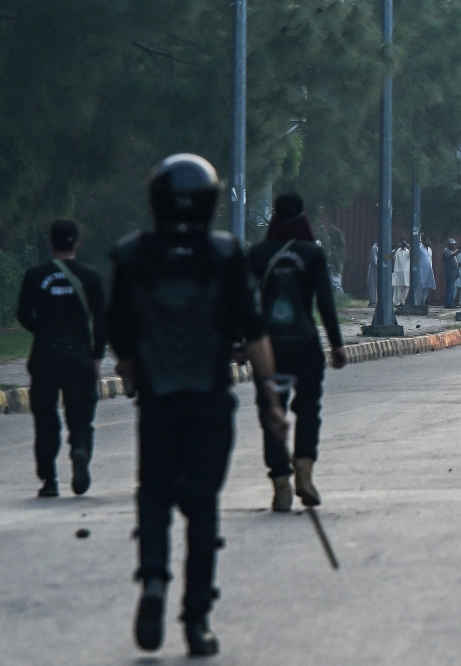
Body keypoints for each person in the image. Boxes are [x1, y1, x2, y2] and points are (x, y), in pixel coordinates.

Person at [107, 154, 288, 656]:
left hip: (158, 404)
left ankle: (154, 581)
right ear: (209, 202)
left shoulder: (132, 256)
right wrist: (269, 401)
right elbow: (254, 333)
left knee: (155, 497)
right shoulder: (226, 255)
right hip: (209, 401)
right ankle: (196, 620)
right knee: (203, 506)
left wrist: (130, 368)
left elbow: (117, 329)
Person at [247, 193, 347, 512]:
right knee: (308, 409)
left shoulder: (258, 254)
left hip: (268, 347)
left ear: (275, 216)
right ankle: (304, 471)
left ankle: (281, 487)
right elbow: (325, 303)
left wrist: (240, 343)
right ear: (303, 217)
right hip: (304, 345)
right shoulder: (312, 254)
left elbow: (244, 303)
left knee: (270, 412)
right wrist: (336, 344)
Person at [16, 219, 106, 498]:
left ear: (51, 244)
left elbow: (23, 314)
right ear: (77, 244)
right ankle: (79, 447)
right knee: (81, 415)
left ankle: (50, 479)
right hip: (78, 355)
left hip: (45, 355)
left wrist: (43, 331)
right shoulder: (90, 277)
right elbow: (102, 319)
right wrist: (97, 355)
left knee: (45, 420)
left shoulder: (35, 275)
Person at [416, 236, 435, 305]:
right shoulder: (419, 248)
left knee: (427, 287)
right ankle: (417, 302)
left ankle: (423, 301)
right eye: (427, 240)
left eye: (429, 240)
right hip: (421, 270)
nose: (428, 242)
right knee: (420, 287)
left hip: (429, 271)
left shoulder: (430, 249)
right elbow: (416, 259)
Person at [391, 238, 410, 307]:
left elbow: (414, 256)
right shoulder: (397, 251)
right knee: (397, 289)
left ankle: (403, 302)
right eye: (402, 243)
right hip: (398, 272)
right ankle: (397, 303)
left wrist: (409, 246)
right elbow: (389, 257)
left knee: (406, 288)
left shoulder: (408, 251)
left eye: (404, 243)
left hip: (406, 272)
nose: (403, 245)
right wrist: (396, 248)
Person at [442, 238, 459, 308]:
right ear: (448, 245)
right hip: (450, 273)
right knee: (450, 289)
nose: (453, 246)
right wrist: (456, 253)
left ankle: (451, 302)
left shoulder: (451, 251)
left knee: (452, 289)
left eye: (454, 244)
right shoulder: (446, 251)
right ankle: (449, 303)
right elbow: (449, 257)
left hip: (453, 273)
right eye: (452, 244)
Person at [367, 242, 378, 306]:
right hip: (374, 269)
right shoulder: (374, 248)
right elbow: (374, 260)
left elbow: (387, 257)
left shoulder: (381, 248)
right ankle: (373, 301)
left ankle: (376, 301)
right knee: (373, 285)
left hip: (379, 269)